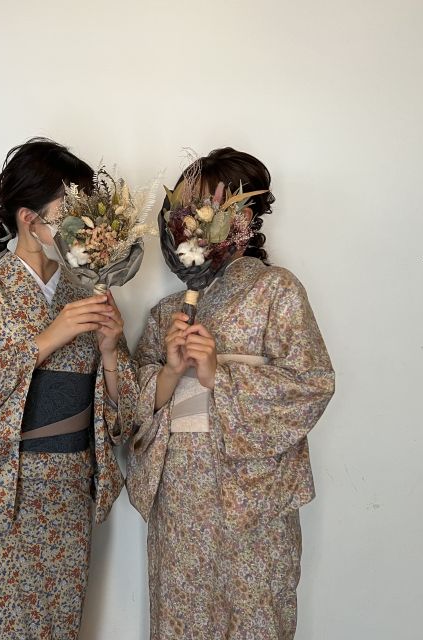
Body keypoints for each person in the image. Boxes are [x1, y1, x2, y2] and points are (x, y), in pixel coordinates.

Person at [0, 137, 137, 639]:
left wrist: (110, 351)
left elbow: (124, 420)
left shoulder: (87, 295)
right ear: (29, 218)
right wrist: (45, 340)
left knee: (53, 627)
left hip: (64, 497)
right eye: (72, 215)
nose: (85, 229)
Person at [127, 147, 335, 639]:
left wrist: (217, 373)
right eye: (185, 212)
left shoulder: (277, 290)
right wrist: (170, 372)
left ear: (242, 218)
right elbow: (132, 407)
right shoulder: (168, 311)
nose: (190, 223)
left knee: (254, 613)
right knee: (181, 616)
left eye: (202, 210)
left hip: (250, 492)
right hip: (180, 490)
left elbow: (312, 383)